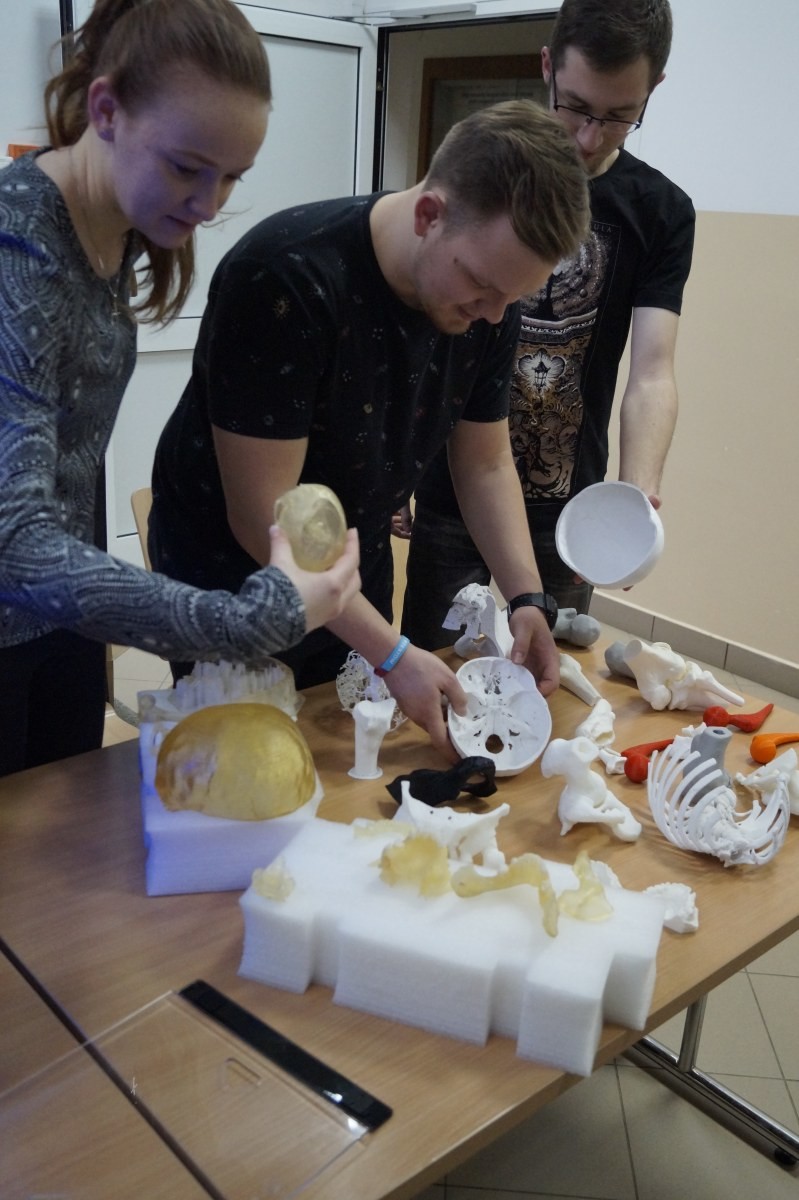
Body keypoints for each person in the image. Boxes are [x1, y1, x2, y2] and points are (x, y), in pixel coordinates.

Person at [148, 99, 591, 759]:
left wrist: (527, 598)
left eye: (512, 297)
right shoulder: (285, 279)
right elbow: (263, 518)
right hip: (235, 579)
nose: (495, 315)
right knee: (243, 769)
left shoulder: (487, 304)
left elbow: (484, 463)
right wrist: (393, 653)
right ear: (429, 214)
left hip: (354, 560)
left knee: (352, 757)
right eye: (481, 286)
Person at [0, 0, 361, 778]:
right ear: (106, 110)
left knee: (69, 829)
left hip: (59, 622)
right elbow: (15, 541)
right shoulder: (19, 250)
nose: (208, 204)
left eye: (230, 176)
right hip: (20, 602)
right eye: (186, 167)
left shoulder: (114, 225)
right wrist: (246, 620)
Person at [401, 0, 695, 649]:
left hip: (569, 510)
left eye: (619, 115)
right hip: (453, 487)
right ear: (546, 67)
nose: (589, 138)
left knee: (550, 681)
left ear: (653, 89)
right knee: (436, 673)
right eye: (577, 107)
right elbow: (424, 319)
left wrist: (637, 488)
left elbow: (652, 372)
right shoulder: (484, 169)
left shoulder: (661, 212)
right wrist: (398, 456)